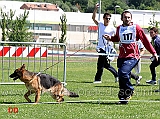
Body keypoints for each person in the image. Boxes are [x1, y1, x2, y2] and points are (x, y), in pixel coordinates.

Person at [103, 11, 158, 104]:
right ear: (122, 19)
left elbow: (145, 41)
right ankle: (123, 97)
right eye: (125, 17)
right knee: (121, 75)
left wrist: (153, 52)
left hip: (133, 56)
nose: (127, 19)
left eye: (129, 17)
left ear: (131, 18)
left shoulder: (135, 28)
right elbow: (117, 38)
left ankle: (130, 89)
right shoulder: (119, 28)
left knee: (124, 73)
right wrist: (110, 38)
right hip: (122, 56)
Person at [92, 4, 118, 83]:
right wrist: (95, 9)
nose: (108, 20)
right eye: (106, 18)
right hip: (100, 47)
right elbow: (93, 18)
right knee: (105, 64)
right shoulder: (100, 24)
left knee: (101, 63)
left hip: (106, 48)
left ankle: (98, 79)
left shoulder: (112, 28)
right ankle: (117, 75)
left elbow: (117, 37)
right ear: (103, 18)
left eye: (109, 18)